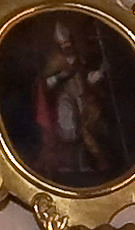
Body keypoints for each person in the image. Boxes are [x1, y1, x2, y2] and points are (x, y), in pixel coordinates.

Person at [33, 17, 115, 180]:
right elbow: (45, 84)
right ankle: (67, 166)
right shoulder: (56, 61)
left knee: (87, 130)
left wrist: (100, 72)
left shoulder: (79, 59)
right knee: (68, 130)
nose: (67, 46)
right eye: (63, 44)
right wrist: (61, 76)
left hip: (82, 98)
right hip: (64, 100)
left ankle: (86, 164)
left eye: (69, 43)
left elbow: (86, 77)